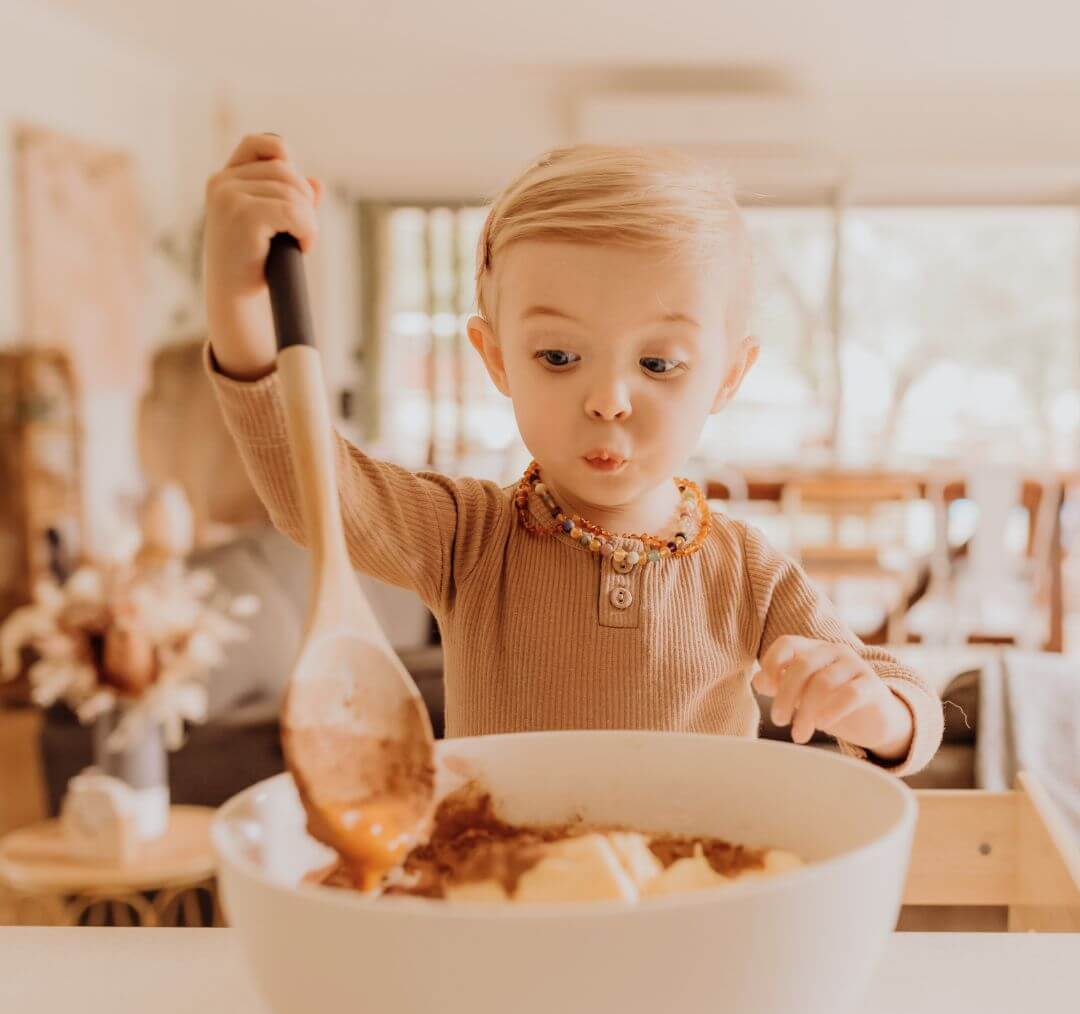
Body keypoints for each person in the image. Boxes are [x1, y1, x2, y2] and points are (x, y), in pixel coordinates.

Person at [201, 133, 943, 776]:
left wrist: (877, 714)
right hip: (504, 905)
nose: (609, 400)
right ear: (496, 360)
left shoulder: (746, 572)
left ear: (727, 377)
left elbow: (906, 700)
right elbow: (311, 492)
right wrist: (236, 306)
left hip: (691, 913)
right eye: (559, 355)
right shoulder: (466, 537)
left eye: (658, 365)